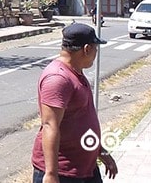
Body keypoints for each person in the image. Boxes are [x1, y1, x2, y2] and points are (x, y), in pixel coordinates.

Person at [32, 23, 118, 183]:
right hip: (64, 173)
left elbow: (80, 120)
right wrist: (51, 174)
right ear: (86, 49)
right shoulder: (58, 78)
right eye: (95, 49)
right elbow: (50, 125)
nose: (96, 53)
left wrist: (101, 152)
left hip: (85, 168)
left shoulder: (75, 72)